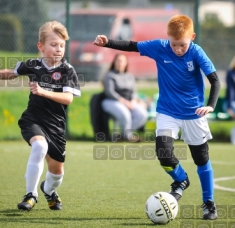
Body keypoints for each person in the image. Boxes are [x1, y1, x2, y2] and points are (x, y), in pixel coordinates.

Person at [94, 14, 220, 220]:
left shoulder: (197, 52)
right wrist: (108, 42)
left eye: (183, 45)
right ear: (167, 37)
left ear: (193, 37)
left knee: (201, 159)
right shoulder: (160, 47)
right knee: (163, 152)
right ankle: (180, 180)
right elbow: (132, 45)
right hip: (167, 111)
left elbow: (214, 80)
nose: (178, 49)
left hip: (194, 113)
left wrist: (210, 106)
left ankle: (209, 203)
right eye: (174, 44)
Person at [0, 21, 81, 211]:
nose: (58, 49)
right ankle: (31, 195)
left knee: (56, 175)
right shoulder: (32, 65)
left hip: (56, 127)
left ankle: (48, 190)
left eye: (61, 46)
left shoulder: (67, 70)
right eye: (53, 45)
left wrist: (43, 91)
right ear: (41, 46)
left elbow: (68, 99)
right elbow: (10, 74)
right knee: (39, 146)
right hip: (34, 120)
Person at [101, 53, 148, 141]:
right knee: (125, 114)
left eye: (122, 61)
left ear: (126, 63)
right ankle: (129, 137)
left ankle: (124, 135)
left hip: (129, 102)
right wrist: (124, 102)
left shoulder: (129, 76)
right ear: (114, 62)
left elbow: (134, 92)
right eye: (118, 61)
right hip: (112, 101)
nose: (120, 63)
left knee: (142, 114)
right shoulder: (110, 75)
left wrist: (133, 101)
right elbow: (110, 92)